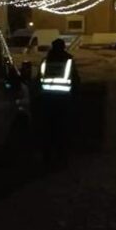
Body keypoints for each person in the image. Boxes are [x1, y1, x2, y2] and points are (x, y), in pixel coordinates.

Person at [38, 38, 80, 167]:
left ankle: (47, 157)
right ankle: (61, 158)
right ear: (63, 47)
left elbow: (38, 79)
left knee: (48, 130)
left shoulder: (45, 61)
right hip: (63, 100)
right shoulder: (68, 61)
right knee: (62, 129)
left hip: (47, 100)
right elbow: (76, 80)